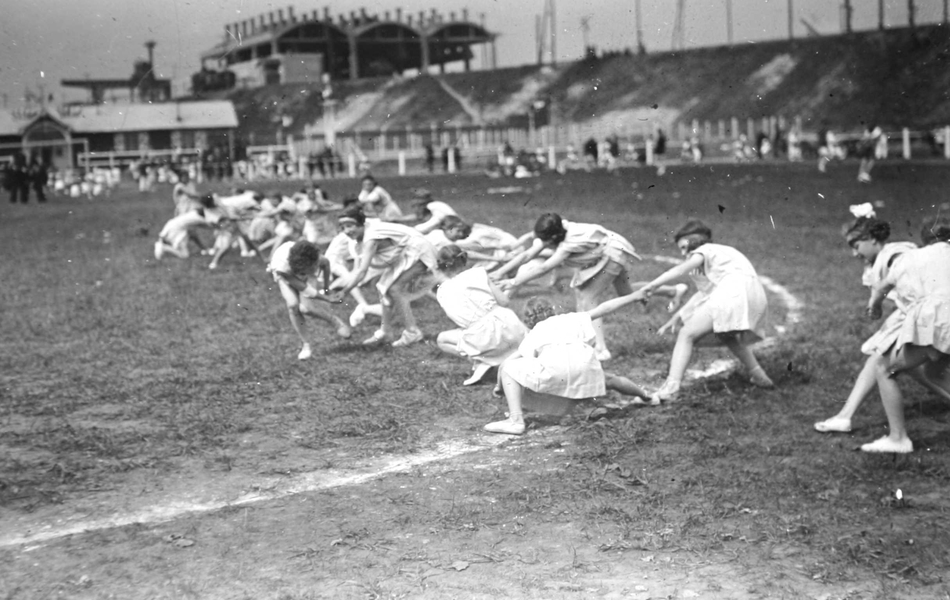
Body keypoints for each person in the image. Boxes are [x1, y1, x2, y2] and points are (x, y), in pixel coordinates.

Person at [494, 213, 681, 362]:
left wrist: (513, 282)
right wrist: (500, 272)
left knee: (588, 297)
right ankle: (672, 291)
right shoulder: (559, 228)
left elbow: (544, 267)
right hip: (607, 250)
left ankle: (600, 348)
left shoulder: (567, 244)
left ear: (553, 237)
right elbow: (527, 255)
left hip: (611, 254)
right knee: (628, 293)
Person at [632, 219, 774, 403]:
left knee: (686, 334)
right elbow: (706, 293)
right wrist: (678, 315)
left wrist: (652, 286)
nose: (684, 253)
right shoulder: (724, 253)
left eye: (684, 247)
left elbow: (681, 270)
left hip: (733, 294)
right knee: (727, 334)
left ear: (694, 241)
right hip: (754, 296)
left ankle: (671, 387)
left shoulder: (703, 251)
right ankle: (759, 375)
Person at [814, 206, 919, 434]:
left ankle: (847, 417)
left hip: (925, 314)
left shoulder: (895, 255)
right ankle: (845, 416)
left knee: (902, 365)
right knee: (881, 358)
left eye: (856, 245)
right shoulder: (880, 260)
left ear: (871, 239)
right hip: (913, 314)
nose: (854, 253)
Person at [485, 295, 656, 435]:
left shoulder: (535, 331)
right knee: (611, 380)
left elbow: (508, 364)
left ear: (529, 320)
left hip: (558, 372)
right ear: (552, 310)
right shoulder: (574, 318)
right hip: (587, 368)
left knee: (510, 369)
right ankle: (647, 396)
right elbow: (605, 307)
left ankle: (516, 420)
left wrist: (499, 388)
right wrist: (634, 296)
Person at [857, 217, 950, 453]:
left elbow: (880, 287)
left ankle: (898, 438)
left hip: (938, 319)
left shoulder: (913, 257)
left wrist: (874, 307)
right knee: (934, 371)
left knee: (885, 368)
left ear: (925, 239)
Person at [332, 205, 439, 347]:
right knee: (384, 288)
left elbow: (362, 271)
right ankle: (385, 331)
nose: (347, 231)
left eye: (350, 225)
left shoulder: (371, 238)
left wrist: (344, 291)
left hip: (418, 249)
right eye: (343, 227)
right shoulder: (362, 234)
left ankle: (412, 332)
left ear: (361, 223)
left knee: (394, 289)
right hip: (405, 252)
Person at [435, 244, 528, 386]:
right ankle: (504, 357)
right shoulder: (479, 273)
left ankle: (482, 361)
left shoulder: (441, 292)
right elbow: (504, 301)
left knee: (442, 339)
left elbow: (458, 319)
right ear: (464, 259)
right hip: (510, 328)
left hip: (482, 337)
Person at [267, 240, 352, 360]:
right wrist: (327, 299)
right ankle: (306, 344)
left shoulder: (314, 257)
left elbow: (326, 265)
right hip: (284, 274)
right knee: (293, 305)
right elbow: (303, 288)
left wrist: (327, 289)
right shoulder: (282, 266)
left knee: (306, 309)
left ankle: (334, 321)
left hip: (302, 270)